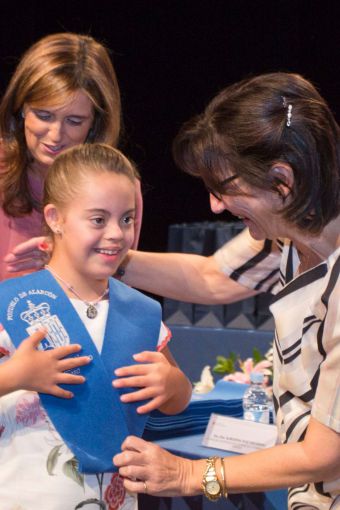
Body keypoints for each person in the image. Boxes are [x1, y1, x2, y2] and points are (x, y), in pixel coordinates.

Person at [113, 72, 340, 509]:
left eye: (227, 188)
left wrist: (190, 474)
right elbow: (212, 277)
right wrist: (108, 259)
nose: (216, 205)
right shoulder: (289, 231)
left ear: (282, 180)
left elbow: (325, 454)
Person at [0, 143, 192, 509]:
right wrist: (15, 375)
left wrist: (169, 384)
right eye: (98, 219)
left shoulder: (141, 312)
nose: (117, 234)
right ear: (56, 218)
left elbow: (179, 398)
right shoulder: (11, 303)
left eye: (127, 219)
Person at [0, 32, 142, 281]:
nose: (55, 135)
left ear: (95, 123)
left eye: (74, 121)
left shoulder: (118, 186)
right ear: (21, 108)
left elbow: (110, 289)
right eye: (43, 116)